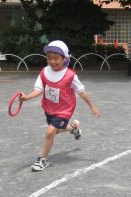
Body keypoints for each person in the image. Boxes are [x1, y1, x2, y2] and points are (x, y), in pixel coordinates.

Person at [19, 40, 100, 171]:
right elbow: (38, 90)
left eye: (56, 58)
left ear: (64, 59)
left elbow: (82, 91)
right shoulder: (44, 72)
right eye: (49, 58)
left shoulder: (70, 75)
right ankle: (73, 128)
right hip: (49, 108)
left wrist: (92, 107)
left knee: (50, 132)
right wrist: (26, 97)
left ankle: (42, 159)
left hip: (64, 110)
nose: (52, 61)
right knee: (55, 131)